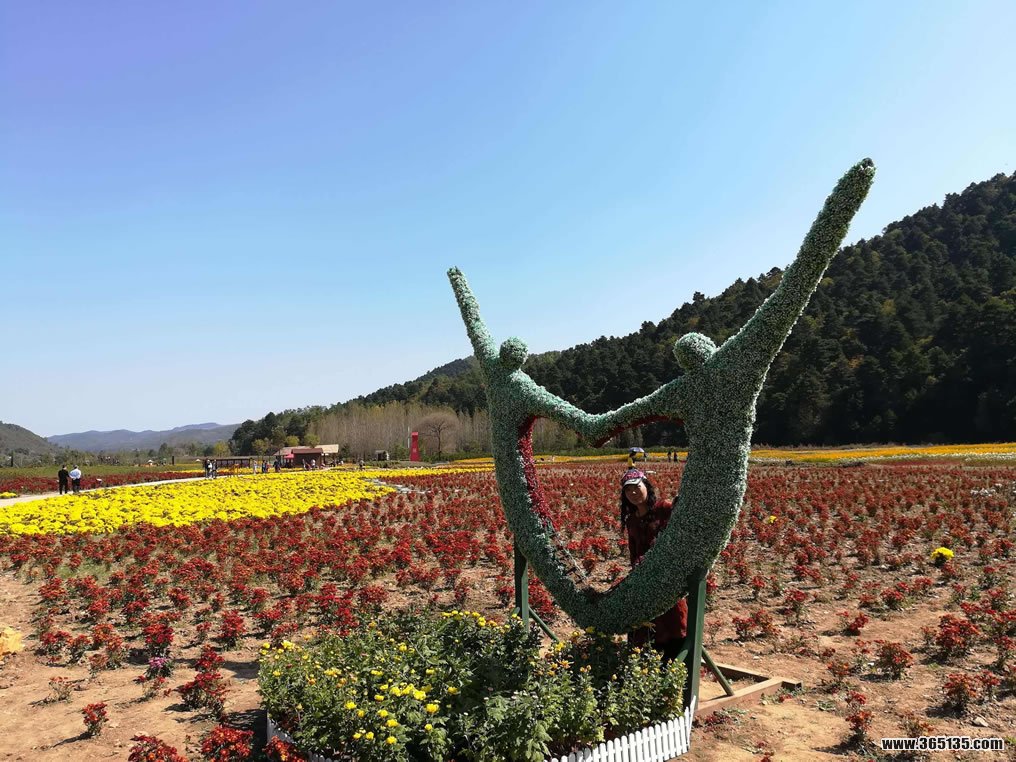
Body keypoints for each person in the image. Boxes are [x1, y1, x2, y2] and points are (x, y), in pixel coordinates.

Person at [620, 467, 688, 662]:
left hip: (668, 580)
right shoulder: (632, 521)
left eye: (636, 487)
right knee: (645, 628)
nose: (633, 493)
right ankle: (648, 669)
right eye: (628, 490)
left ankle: (675, 669)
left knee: (673, 623)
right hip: (644, 582)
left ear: (646, 486)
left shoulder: (664, 509)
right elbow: (634, 554)